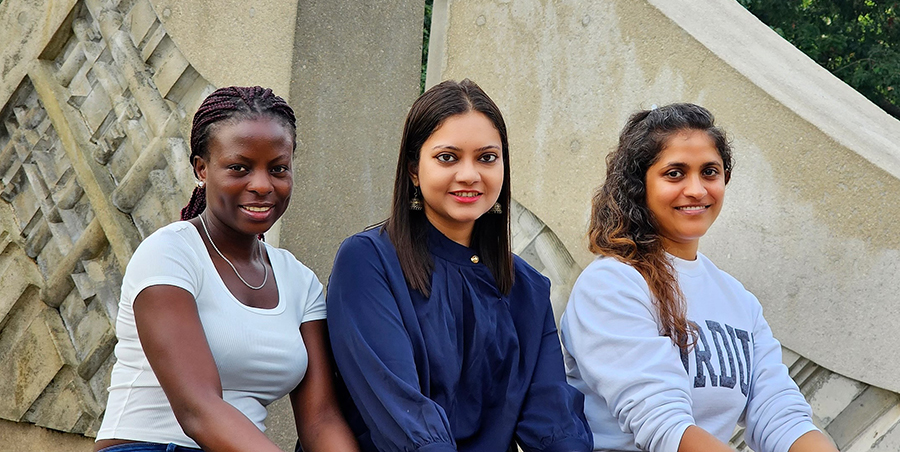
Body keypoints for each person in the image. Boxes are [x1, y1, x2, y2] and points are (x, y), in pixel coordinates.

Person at [325, 79, 593, 452]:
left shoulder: (526, 287)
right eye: (447, 157)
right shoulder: (368, 262)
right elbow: (404, 418)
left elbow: (552, 421)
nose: (469, 175)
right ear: (414, 170)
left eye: (487, 157)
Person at [558, 103, 837, 452]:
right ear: (639, 185)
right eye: (675, 173)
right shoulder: (611, 285)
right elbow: (663, 426)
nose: (696, 190)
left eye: (709, 172)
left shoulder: (739, 301)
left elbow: (779, 415)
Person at [94, 86, 358, 452]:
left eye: (278, 169)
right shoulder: (170, 254)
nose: (263, 185)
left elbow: (321, 419)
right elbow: (198, 409)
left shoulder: (300, 281)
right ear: (202, 168)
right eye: (239, 168)